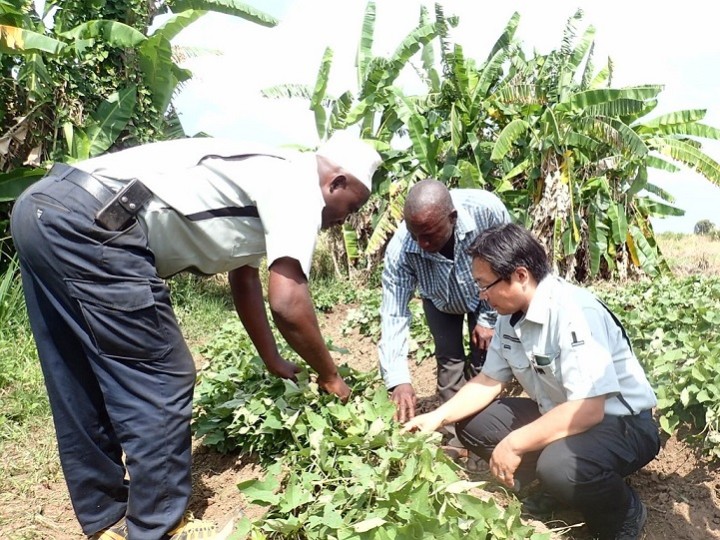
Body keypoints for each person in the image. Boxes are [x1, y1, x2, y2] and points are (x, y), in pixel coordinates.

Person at [9, 132, 382, 540]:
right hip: (97, 225)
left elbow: (244, 277)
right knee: (163, 378)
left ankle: (107, 518)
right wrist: (330, 376)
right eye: (355, 204)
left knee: (76, 372)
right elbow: (288, 302)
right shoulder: (297, 184)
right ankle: (160, 529)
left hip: (44, 208)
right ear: (337, 182)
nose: (348, 217)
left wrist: (273, 357)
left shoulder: (268, 172)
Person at [404, 223, 660, 540]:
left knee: (560, 466)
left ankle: (622, 512)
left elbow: (589, 409)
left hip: (624, 423)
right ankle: (556, 488)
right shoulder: (509, 315)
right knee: (471, 422)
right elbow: (489, 379)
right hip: (565, 415)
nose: (482, 296)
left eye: (485, 286)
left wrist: (514, 443)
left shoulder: (573, 312)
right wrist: (436, 416)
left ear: (521, 276)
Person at [378, 178, 511, 430]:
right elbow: (394, 313)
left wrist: (488, 319)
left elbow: (508, 264)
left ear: (452, 217)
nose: (422, 245)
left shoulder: (486, 210)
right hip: (439, 299)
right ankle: (457, 434)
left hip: (485, 293)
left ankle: (487, 429)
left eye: (428, 236)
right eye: (415, 235)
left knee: (486, 359)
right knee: (449, 362)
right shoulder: (401, 249)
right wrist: (398, 379)